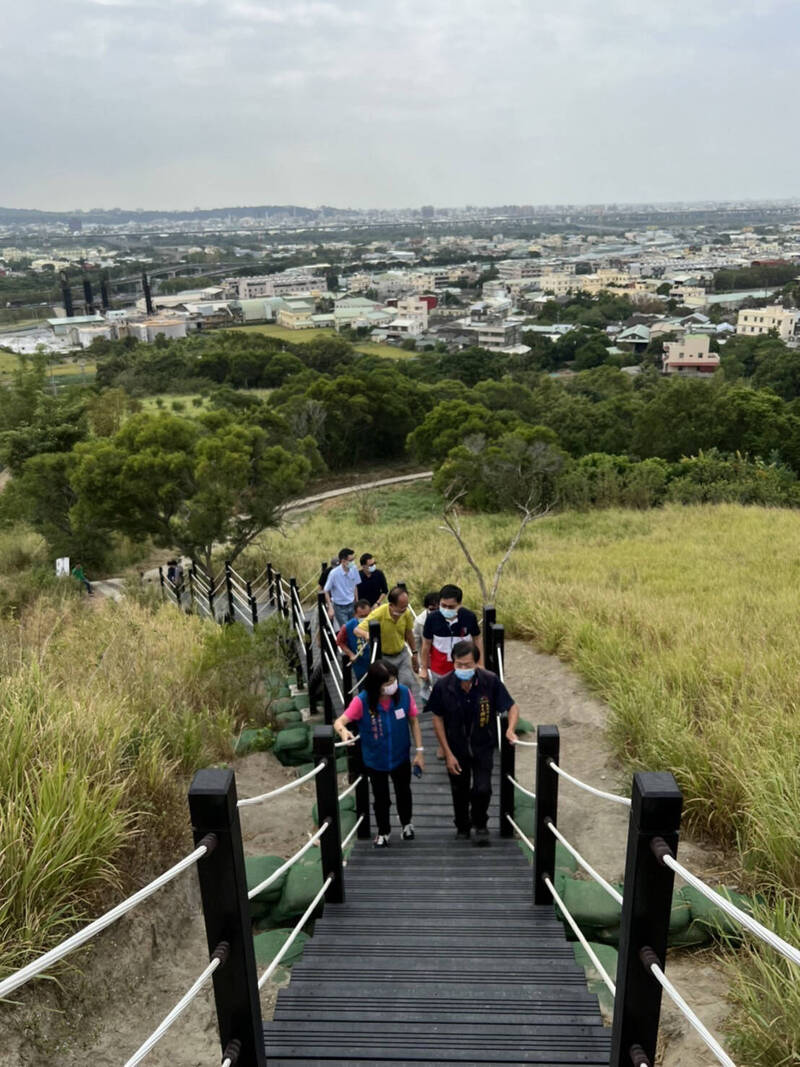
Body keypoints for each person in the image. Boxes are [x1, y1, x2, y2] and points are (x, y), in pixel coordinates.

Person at [429, 641, 519, 847]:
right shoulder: (443, 685)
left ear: (476, 663)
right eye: (459, 664)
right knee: (459, 789)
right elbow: (437, 717)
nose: (463, 669)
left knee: (483, 788)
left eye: (467, 665)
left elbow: (512, 706)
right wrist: (446, 751)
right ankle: (462, 825)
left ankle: (480, 824)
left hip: (482, 745)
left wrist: (510, 729)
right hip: (456, 747)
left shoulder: (490, 681)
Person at [334, 660, 424, 847]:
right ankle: (384, 831)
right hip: (376, 760)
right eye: (387, 683)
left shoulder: (405, 694)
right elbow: (339, 722)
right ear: (376, 685)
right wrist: (344, 732)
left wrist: (420, 751)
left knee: (404, 792)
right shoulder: (362, 701)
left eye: (394, 681)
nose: (392, 686)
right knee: (381, 798)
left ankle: (407, 824)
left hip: (400, 756)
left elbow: (414, 721)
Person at [420, 583, 483, 758]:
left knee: (468, 705)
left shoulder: (469, 617)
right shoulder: (432, 619)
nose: (446, 609)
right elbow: (426, 645)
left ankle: (467, 740)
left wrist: (481, 664)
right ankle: (444, 744)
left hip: (465, 668)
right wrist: (424, 668)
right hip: (441, 670)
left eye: (451, 607)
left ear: (460, 605)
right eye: (444, 606)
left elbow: (478, 639)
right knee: (444, 708)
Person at [354, 586, 420, 696]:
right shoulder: (379, 613)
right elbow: (357, 630)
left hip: (401, 654)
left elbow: (409, 633)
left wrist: (414, 653)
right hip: (385, 658)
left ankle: (405, 708)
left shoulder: (406, 613)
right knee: (388, 688)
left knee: (406, 682)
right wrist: (367, 634)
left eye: (406, 606)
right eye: (402, 608)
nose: (405, 610)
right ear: (392, 605)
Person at [336, 598, 372, 687]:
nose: (365, 618)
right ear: (355, 614)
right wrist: (350, 654)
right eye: (361, 616)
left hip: (376, 660)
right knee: (363, 686)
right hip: (360, 663)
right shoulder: (348, 626)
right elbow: (339, 641)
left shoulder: (376, 622)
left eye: (367, 615)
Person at [413, 592, 440, 705]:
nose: (435, 611)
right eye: (432, 609)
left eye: (438, 608)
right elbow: (416, 642)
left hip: (441, 659)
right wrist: (419, 663)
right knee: (425, 685)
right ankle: (427, 707)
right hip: (426, 658)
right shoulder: (420, 621)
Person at [323, 547, 359, 627]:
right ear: (343, 561)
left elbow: (355, 586)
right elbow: (326, 590)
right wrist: (330, 607)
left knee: (355, 627)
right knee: (346, 629)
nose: (353, 562)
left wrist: (357, 602)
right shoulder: (334, 574)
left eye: (353, 559)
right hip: (340, 607)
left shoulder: (354, 569)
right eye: (351, 560)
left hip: (352, 604)